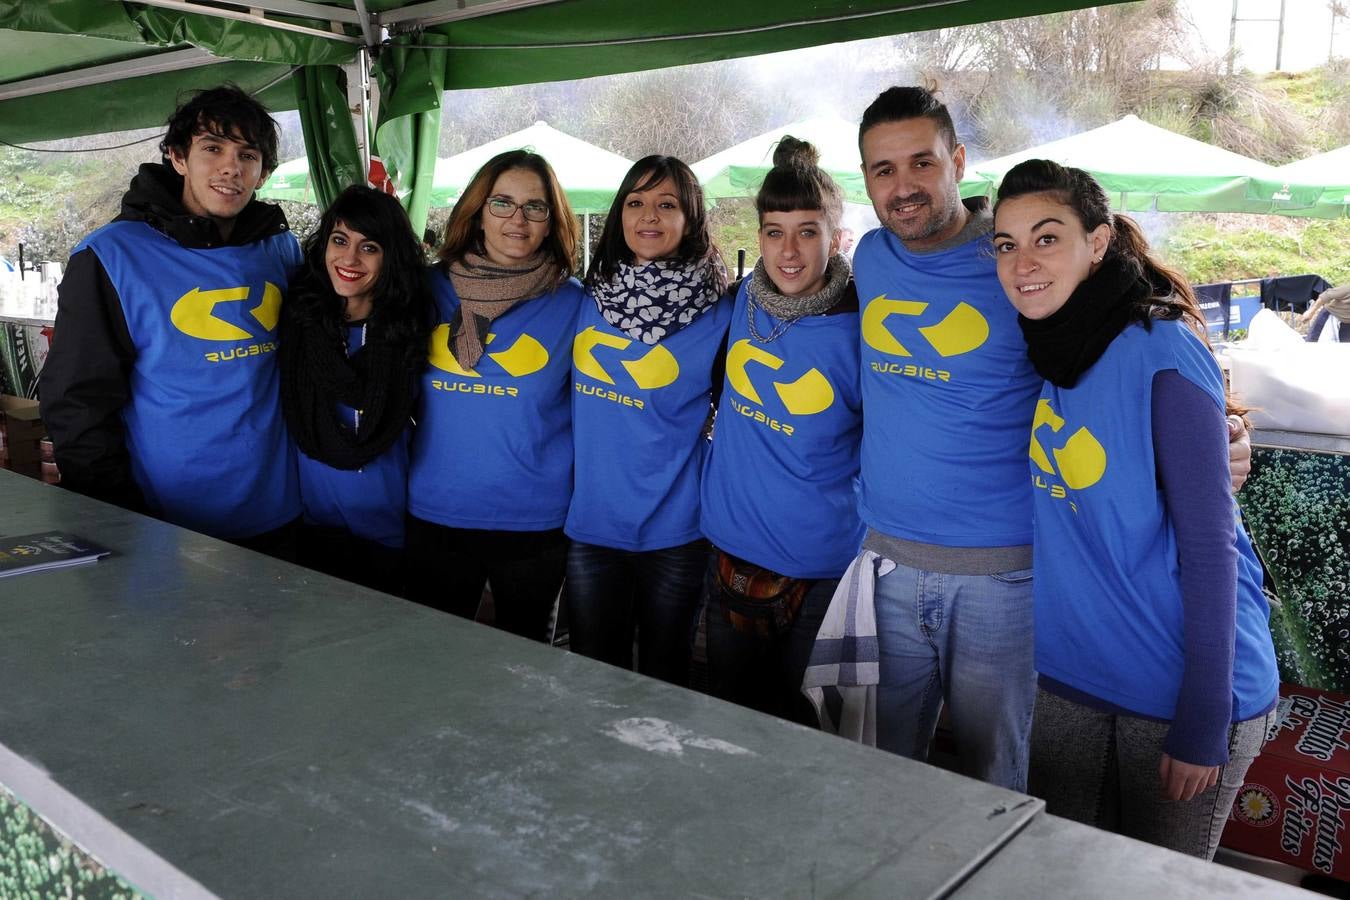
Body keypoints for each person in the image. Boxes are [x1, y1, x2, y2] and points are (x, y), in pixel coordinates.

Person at [846, 85, 1253, 791]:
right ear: (867, 182)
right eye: (883, 170)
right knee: (882, 777)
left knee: (997, 786)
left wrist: (1226, 431)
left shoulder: (1015, 266)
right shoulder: (873, 258)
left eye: (921, 162)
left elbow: (1122, 343)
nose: (903, 186)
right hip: (885, 564)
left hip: (1007, 578)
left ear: (958, 160)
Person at [992, 158, 1277, 859]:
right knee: (1059, 873)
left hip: (1181, 680)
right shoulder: (1044, 345)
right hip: (1070, 674)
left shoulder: (1161, 349)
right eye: (1006, 244)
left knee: (1157, 885)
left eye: (1047, 237)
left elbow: (1212, 547)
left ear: (1097, 242)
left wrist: (1204, 719)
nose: (1023, 262)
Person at [41, 85, 303, 557]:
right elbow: (77, 402)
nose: (231, 167)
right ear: (177, 157)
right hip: (168, 523)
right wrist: (113, 516)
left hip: (281, 512)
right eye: (212, 148)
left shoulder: (280, 248)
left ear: (262, 172)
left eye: (249, 154)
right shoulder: (110, 256)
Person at [698, 137, 862, 724]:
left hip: (822, 569)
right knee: (729, 725)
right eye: (774, 232)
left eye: (808, 232)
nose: (789, 251)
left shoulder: (864, 326)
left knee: (806, 734)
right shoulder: (742, 300)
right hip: (730, 553)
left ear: (836, 237)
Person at [566, 155, 732, 687]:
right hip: (592, 526)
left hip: (676, 532)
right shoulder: (585, 298)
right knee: (595, 676)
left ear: (692, 218)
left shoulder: (722, 310)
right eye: (635, 203)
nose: (649, 217)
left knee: (666, 682)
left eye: (667, 204)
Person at [405, 150, 582, 640]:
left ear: (552, 222)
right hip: (436, 512)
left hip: (534, 523)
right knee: (433, 659)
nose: (517, 219)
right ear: (478, 211)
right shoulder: (425, 290)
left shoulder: (575, 304)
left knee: (523, 673)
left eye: (535, 207)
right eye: (502, 203)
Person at [278, 185, 430, 594]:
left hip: (393, 533)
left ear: (391, 257)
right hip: (311, 528)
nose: (349, 259)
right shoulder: (296, 323)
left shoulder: (412, 329)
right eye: (340, 240)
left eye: (370, 247)